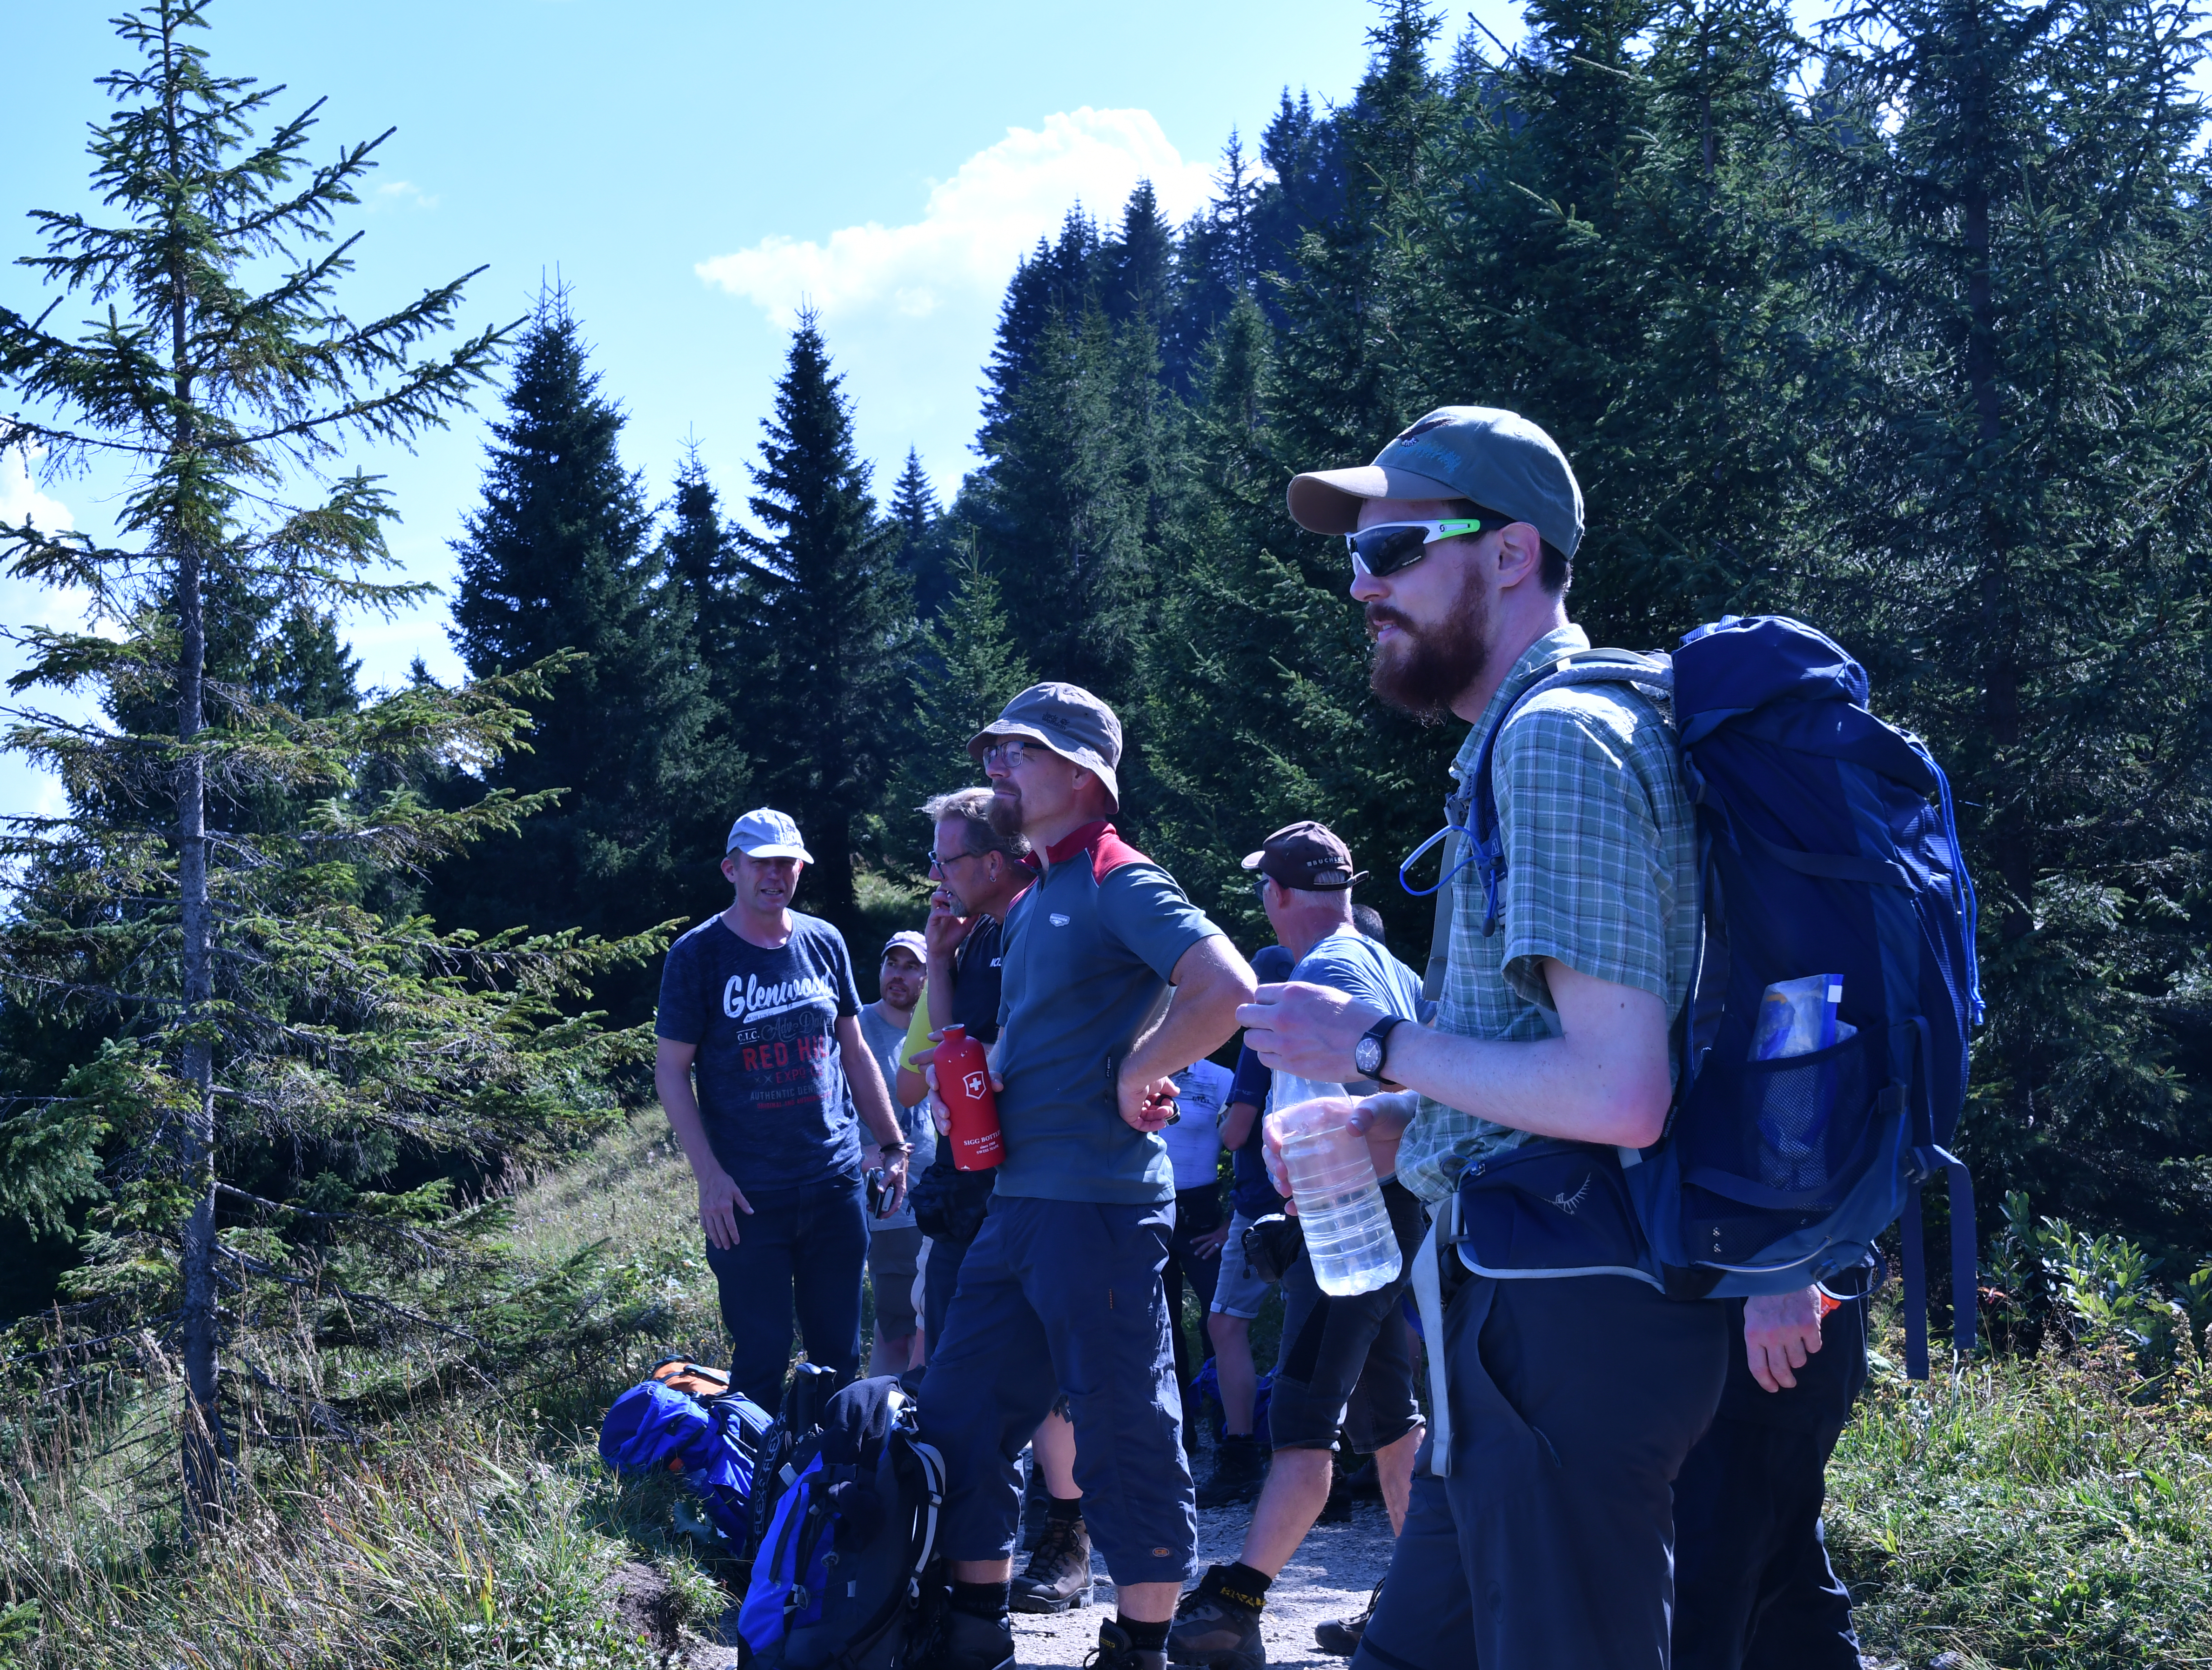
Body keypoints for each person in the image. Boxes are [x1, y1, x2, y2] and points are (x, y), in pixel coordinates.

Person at [1242, 407, 1734, 1669]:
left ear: (1510, 554)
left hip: (1570, 1315)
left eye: (1395, 549)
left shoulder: (1558, 741)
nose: (1362, 587)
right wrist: (1396, 1121)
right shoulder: (1534, 738)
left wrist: (1371, 1045)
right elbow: (1557, 1060)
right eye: (1354, 558)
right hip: (1519, 1311)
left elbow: (1621, 1089)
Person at [918, 683, 1258, 1670]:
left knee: (1124, 1431)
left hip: (1100, 1213)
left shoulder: (1117, 878)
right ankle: (975, 1634)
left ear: (1079, 775)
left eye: (1016, 754)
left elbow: (1226, 989)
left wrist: (1139, 1070)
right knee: (959, 1419)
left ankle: (1138, 1647)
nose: (995, 769)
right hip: (1018, 1210)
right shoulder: (1040, 895)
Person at [1169, 822, 1428, 1670]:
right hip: (1375, 1217)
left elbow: (1402, 1088)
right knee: (1389, 1418)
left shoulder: (1330, 969)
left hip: (1352, 1225)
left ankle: (1233, 1603)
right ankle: (1424, 1597)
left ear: (1277, 895)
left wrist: (1334, 1162)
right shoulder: (1392, 966)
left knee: (1303, 1419)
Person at [654, 809, 915, 1410]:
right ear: (732, 869)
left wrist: (892, 1144)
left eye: (786, 863)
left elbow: (853, 1051)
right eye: (761, 862)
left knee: (837, 1355)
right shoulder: (697, 955)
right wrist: (710, 1178)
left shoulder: (823, 941)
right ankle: (754, 1494)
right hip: (747, 1195)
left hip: (833, 1183)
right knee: (762, 1355)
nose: (775, 874)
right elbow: (671, 1072)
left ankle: (827, 1489)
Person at [1671, 1284, 1871, 1670]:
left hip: (1772, 1310)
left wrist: (1785, 1279)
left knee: (1708, 1579)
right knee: (1780, 1574)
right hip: (1726, 1304)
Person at [897, 788, 1032, 1355]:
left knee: (1038, 1377)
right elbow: (946, 1045)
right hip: (967, 1172)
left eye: (945, 860)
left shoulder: (1039, 923)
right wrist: (939, 961)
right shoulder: (972, 930)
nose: (934, 873)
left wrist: (979, 1055)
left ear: (993, 863)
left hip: (1024, 1176)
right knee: (946, 1349)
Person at [1198, 944, 1294, 1510]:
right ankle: (1342, 1454)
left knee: (1225, 1322)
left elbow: (1235, 1134)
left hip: (1261, 1203)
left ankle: (1240, 1456)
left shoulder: (1261, 1038)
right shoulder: (1327, 1025)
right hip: (1323, 1195)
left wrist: (1219, 1118)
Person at [857, 930, 937, 1375]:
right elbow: (826, 1104)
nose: (898, 975)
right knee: (901, 1331)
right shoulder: (858, 1029)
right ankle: (881, 1428)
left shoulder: (940, 1027)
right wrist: (860, 1149)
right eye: (893, 964)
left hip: (942, 1200)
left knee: (934, 1324)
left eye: (911, 967)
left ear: (929, 976)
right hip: (892, 1207)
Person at [1161, 1052, 1234, 1440]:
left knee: (1219, 1324)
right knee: (1163, 1326)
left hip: (1204, 1219)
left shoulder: (1220, 1077)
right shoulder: (1140, 1068)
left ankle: (1228, 1431)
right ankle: (1178, 1436)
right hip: (1151, 1218)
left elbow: (1248, 1148)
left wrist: (1232, 1221)